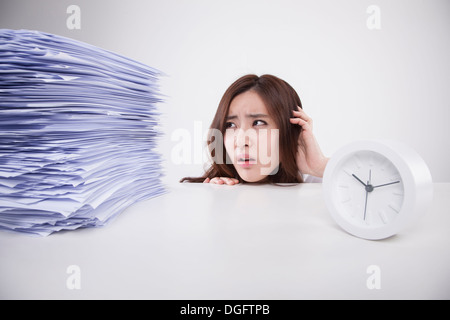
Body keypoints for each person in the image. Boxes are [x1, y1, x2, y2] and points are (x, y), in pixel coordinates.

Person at [180, 74, 329, 185]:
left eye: (258, 122)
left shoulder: (320, 181)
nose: (241, 141)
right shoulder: (209, 185)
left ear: (289, 130)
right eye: (230, 125)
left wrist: (319, 166)